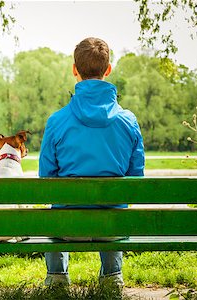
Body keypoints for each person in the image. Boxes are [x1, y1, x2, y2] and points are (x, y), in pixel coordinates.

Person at [38, 37, 145, 287]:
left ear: (75, 70)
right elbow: (136, 179)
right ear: (108, 70)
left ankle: (57, 278)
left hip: (67, 227)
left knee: (57, 211)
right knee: (114, 209)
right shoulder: (128, 121)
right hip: (112, 228)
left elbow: (46, 178)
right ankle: (112, 277)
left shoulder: (57, 121)